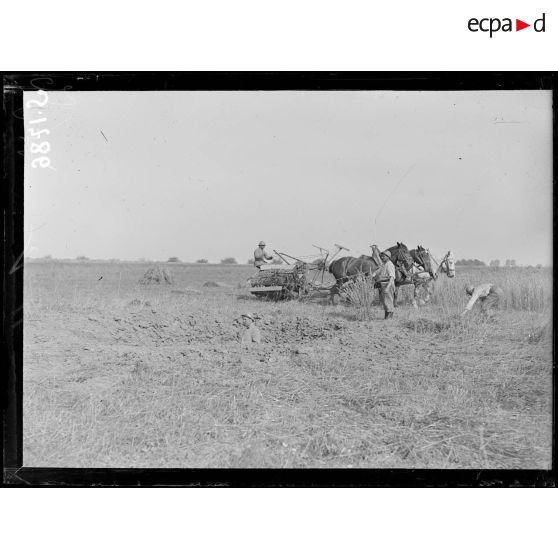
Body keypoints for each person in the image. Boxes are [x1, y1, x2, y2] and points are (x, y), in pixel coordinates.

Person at [371, 250, 396, 319]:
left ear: (388, 257)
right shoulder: (384, 264)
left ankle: (390, 318)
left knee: (389, 301)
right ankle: (386, 317)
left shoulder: (390, 265)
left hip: (388, 284)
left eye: (383, 256)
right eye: (381, 256)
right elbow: (377, 271)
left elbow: (392, 277)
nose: (382, 257)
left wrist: (388, 287)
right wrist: (372, 274)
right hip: (383, 285)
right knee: (385, 301)